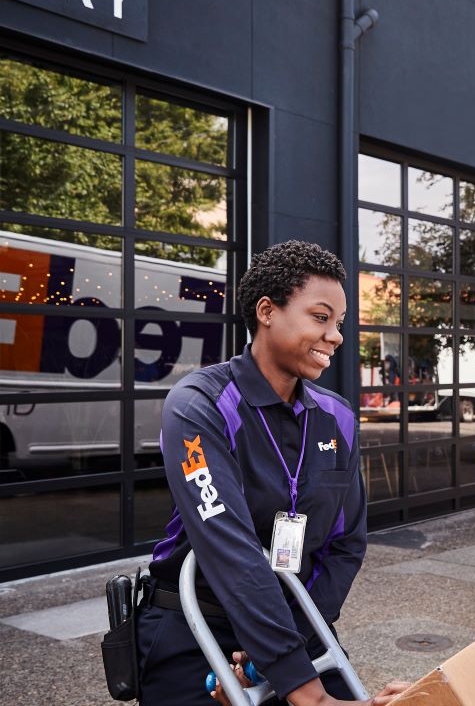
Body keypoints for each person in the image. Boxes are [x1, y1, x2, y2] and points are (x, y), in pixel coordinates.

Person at [136, 240, 409, 706]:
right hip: (194, 623)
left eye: (338, 324)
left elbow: (346, 544)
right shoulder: (198, 405)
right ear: (267, 311)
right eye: (321, 318)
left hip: (294, 624)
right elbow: (229, 547)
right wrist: (306, 692)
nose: (337, 336)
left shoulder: (337, 417)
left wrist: (289, 646)